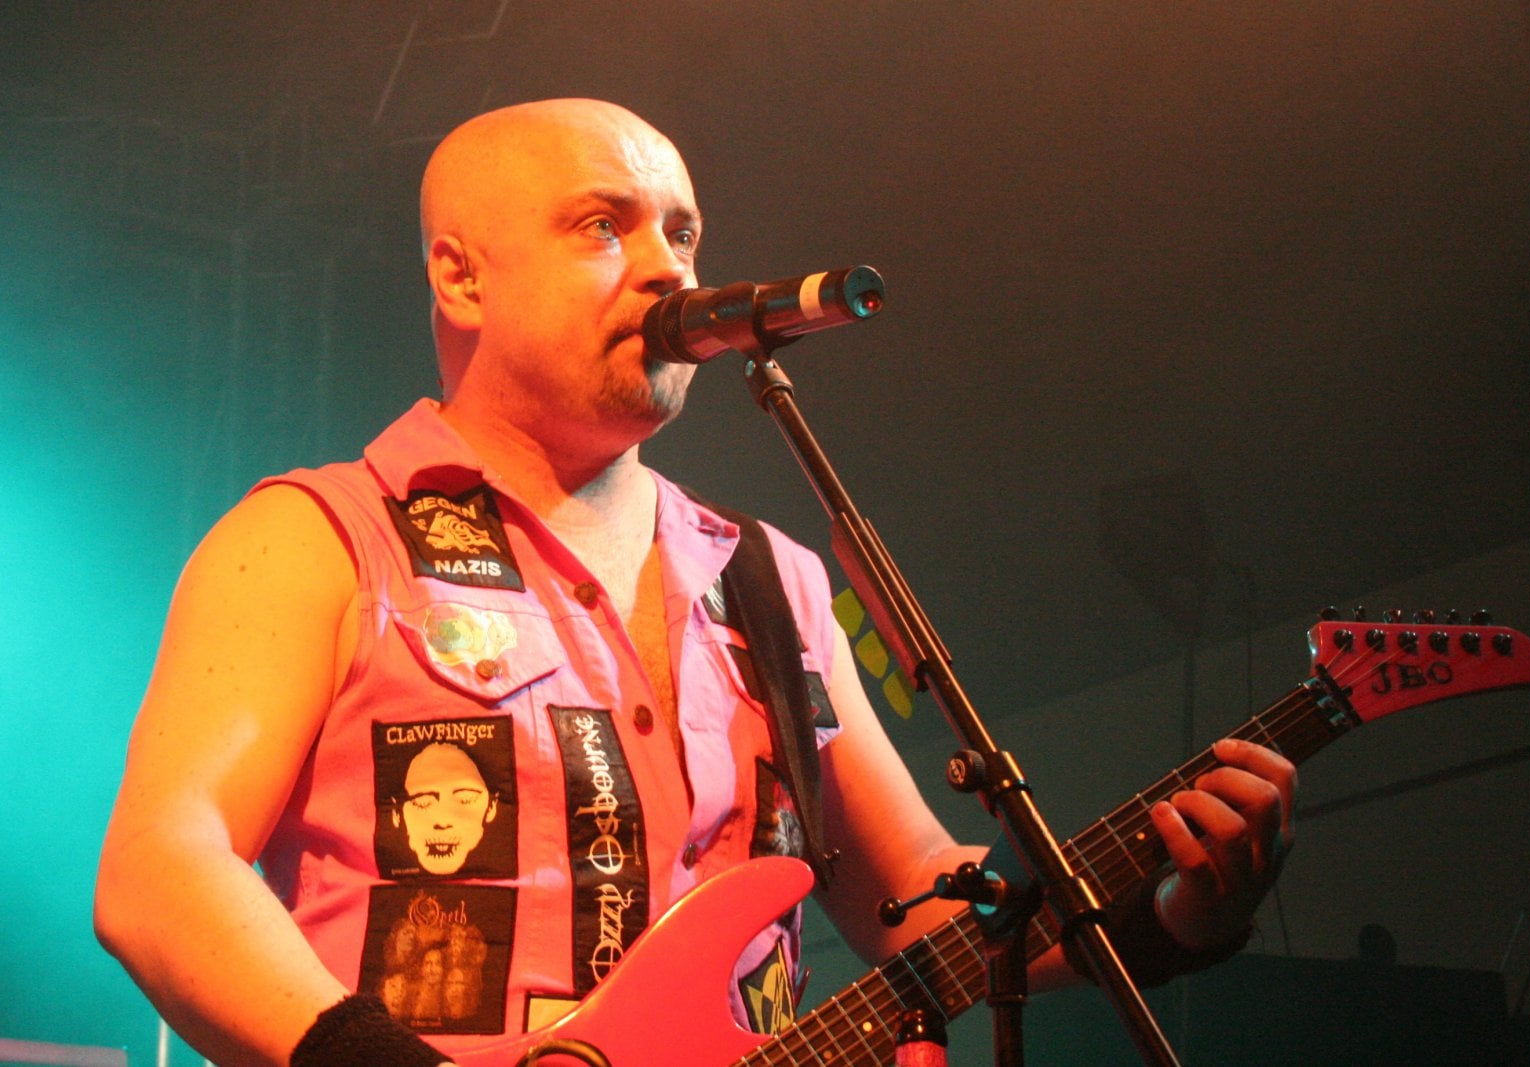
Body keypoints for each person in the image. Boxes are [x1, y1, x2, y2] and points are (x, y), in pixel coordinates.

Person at [95, 98, 1297, 1066]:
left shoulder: (771, 579)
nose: (665, 268)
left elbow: (919, 907)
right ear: (460, 277)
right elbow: (162, 869)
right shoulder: (315, 537)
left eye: (682, 233)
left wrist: (1174, 914)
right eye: (602, 226)